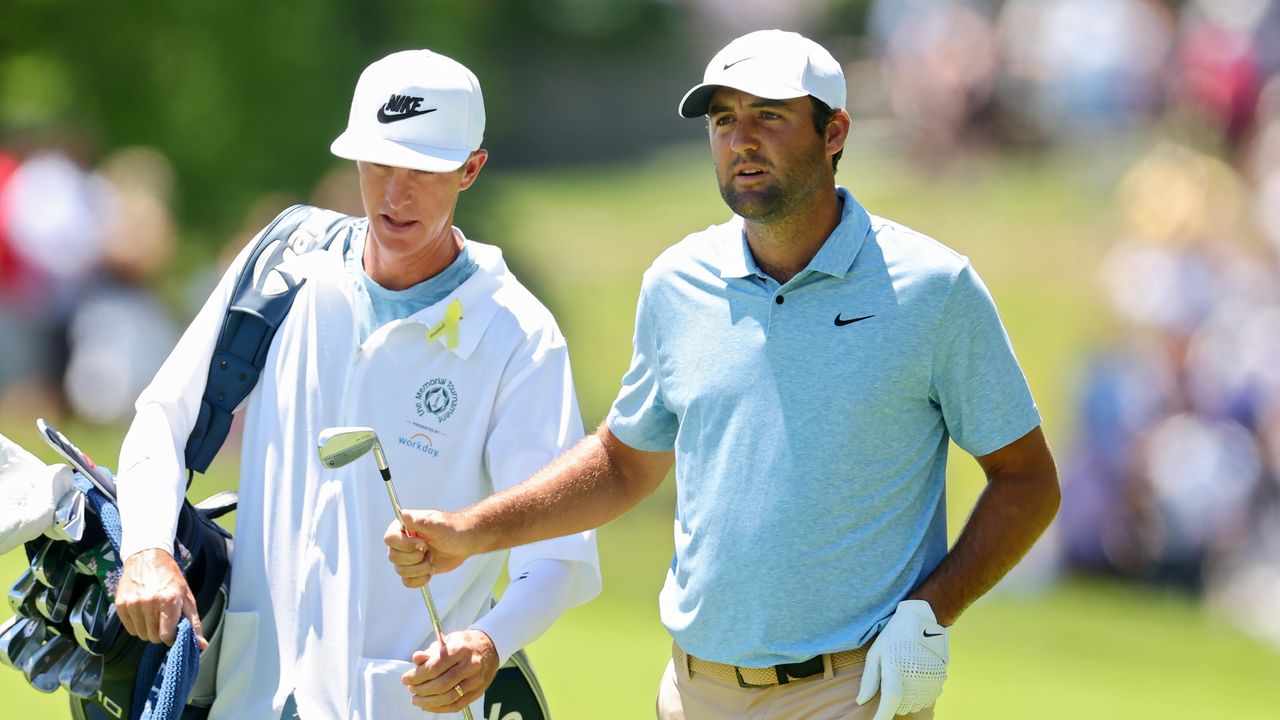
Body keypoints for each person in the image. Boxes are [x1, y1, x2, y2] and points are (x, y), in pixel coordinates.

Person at [386, 30, 1060, 720]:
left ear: (835, 132)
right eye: (722, 119)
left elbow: (1028, 480)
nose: (741, 139)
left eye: (768, 115)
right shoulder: (677, 283)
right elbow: (622, 465)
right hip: (693, 691)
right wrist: (472, 530)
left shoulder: (933, 289)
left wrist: (930, 611)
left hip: (851, 690)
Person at [111, 49, 601, 719]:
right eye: (378, 165)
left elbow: (557, 551)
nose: (395, 195)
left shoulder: (518, 334)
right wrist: (145, 552)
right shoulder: (282, 263)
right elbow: (162, 417)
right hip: (250, 696)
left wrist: (489, 641)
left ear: (471, 169)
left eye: (424, 171)